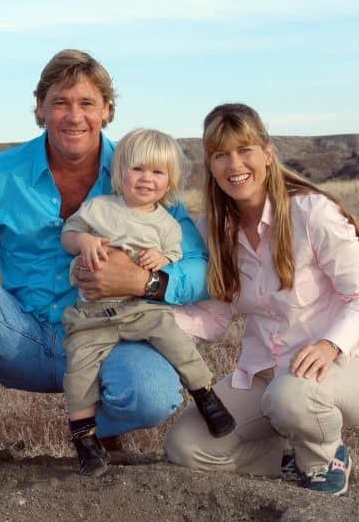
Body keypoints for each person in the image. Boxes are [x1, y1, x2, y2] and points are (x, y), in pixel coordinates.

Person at [0, 49, 209, 498]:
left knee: (155, 392)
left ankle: (98, 431)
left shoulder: (141, 170)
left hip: (111, 335)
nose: (73, 116)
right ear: (40, 108)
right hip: (25, 338)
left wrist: (145, 282)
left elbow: (198, 265)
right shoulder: (2, 173)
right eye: (60, 102)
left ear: (107, 111)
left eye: (87, 103)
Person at [165, 103, 359, 497]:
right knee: (185, 445)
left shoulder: (312, 213)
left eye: (244, 149)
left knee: (291, 397)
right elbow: (214, 319)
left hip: (342, 368)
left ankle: (325, 460)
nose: (235, 164)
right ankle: (288, 459)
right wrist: (151, 320)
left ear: (267, 153)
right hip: (263, 377)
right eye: (221, 154)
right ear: (211, 166)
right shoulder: (213, 230)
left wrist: (330, 344)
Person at [60, 127, 234, 476]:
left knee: (174, 339)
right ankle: (86, 442)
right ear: (120, 170)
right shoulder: (99, 208)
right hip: (92, 314)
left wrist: (161, 259)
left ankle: (206, 395)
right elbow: (69, 234)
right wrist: (83, 243)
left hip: (141, 308)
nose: (146, 179)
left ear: (170, 182)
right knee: (79, 372)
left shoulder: (168, 224)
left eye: (157, 172)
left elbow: (175, 256)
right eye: (137, 169)